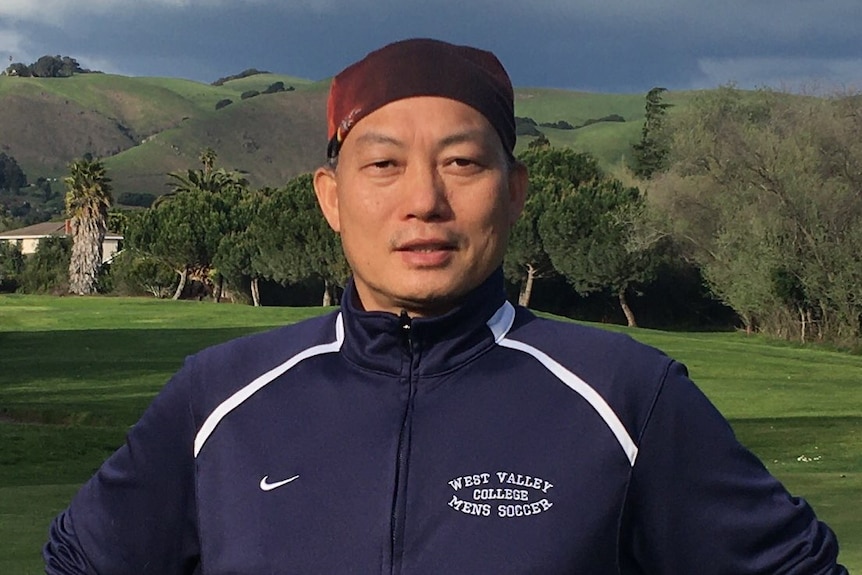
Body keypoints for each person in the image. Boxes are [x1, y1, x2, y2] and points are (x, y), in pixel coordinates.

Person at [44, 38, 846, 574]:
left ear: (515, 191)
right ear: (331, 196)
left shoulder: (631, 398)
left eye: (462, 162)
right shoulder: (217, 396)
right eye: (384, 164)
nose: (424, 200)